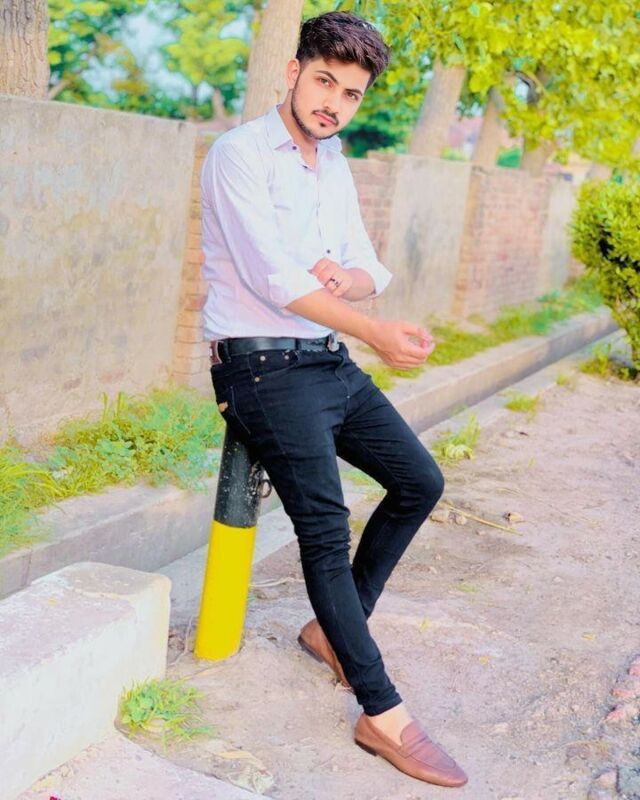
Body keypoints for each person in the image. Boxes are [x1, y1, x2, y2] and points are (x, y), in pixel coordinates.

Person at [200, 10, 468, 789]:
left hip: (325, 360)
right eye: (325, 82)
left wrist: (347, 280)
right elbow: (272, 280)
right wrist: (374, 329)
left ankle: (330, 630)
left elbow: (368, 266)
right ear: (293, 71)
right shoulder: (239, 154)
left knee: (420, 481)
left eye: (351, 94)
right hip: (260, 369)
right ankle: (381, 712)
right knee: (325, 526)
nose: (334, 104)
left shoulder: (334, 163)